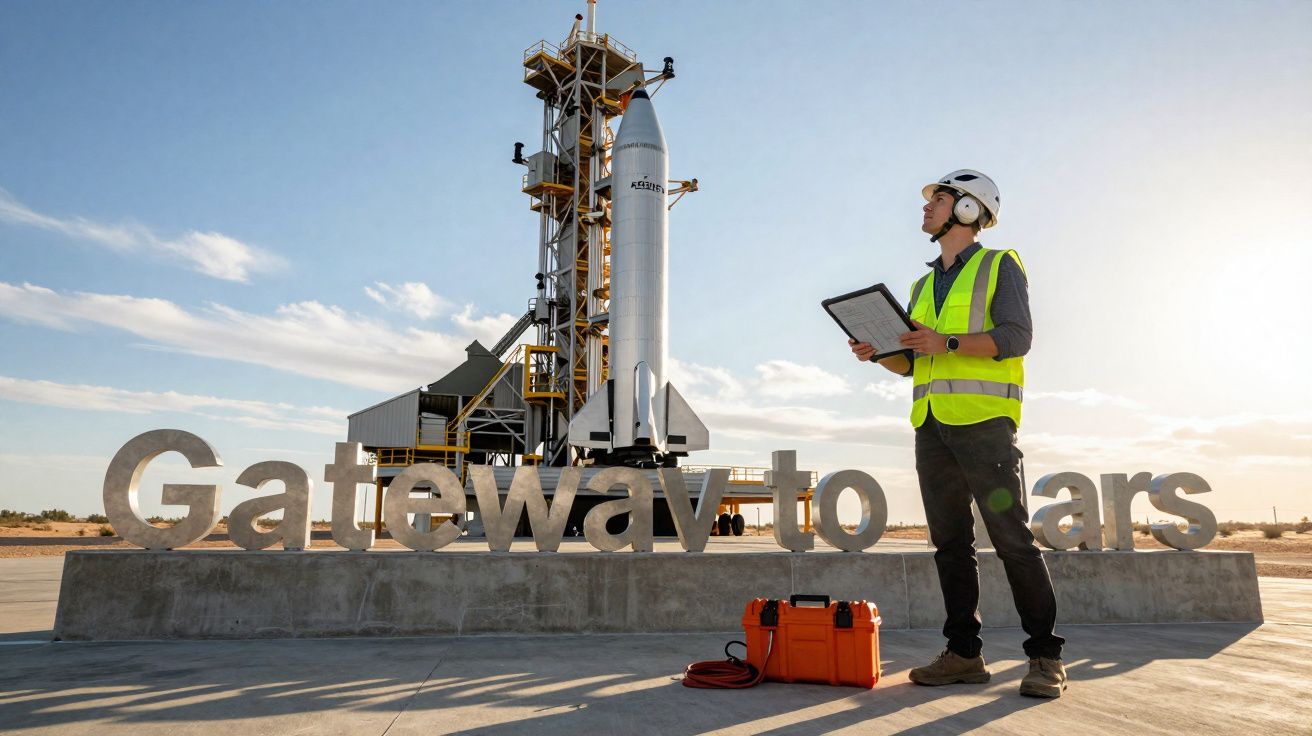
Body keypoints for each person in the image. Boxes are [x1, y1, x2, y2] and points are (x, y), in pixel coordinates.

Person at [849, 169, 1067, 698]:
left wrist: (942, 343)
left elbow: (1016, 338)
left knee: (1012, 539)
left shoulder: (1000, 264)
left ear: (968, 210)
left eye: (938, 200)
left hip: (984, 422)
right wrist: (880, 354)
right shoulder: (922, 284)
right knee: (950, 544)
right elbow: (914, 363)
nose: (926, 208)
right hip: (932, 426)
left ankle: (1044, 658)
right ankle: (964, 655)